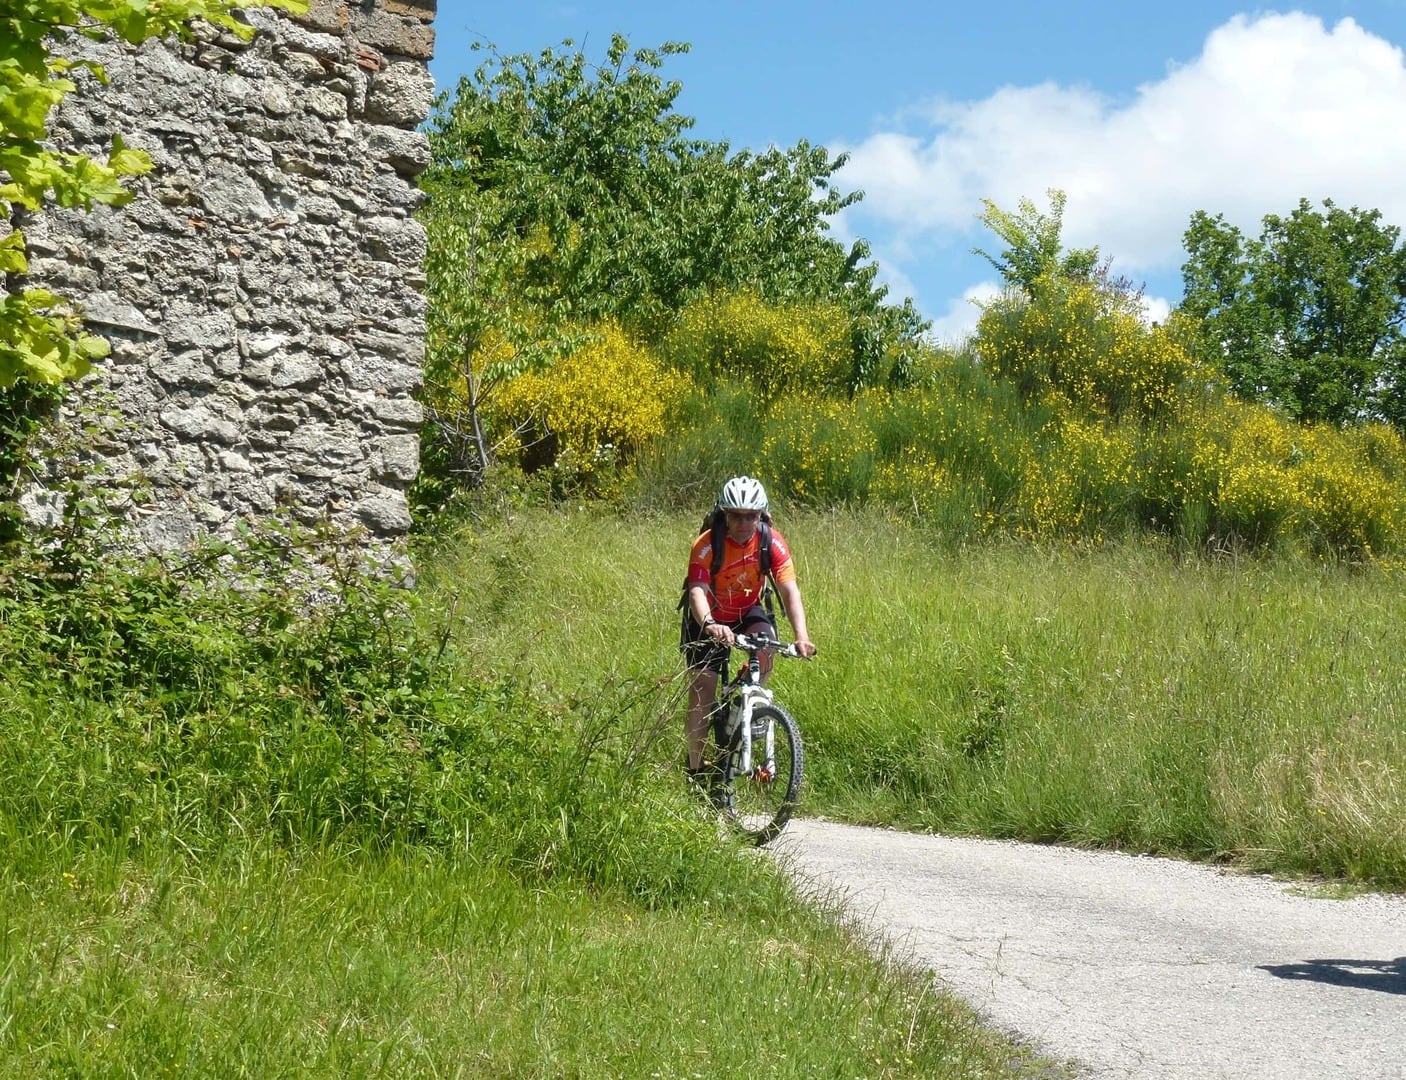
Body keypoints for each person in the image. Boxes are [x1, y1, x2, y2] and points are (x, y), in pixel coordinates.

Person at [680, 476, 816, 801]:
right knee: (702, 692)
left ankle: (747, 708)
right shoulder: (707, 544)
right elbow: (697, 590)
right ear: (724, 514)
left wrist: (801, 636)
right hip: (708, 618)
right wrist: (711, 623)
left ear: (762, 516)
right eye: (736, 515)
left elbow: (789, 590)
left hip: (747, 611)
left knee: (767, 649)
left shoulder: (772, 542)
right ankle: (696, 772)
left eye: (750, 516)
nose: (743, 523)